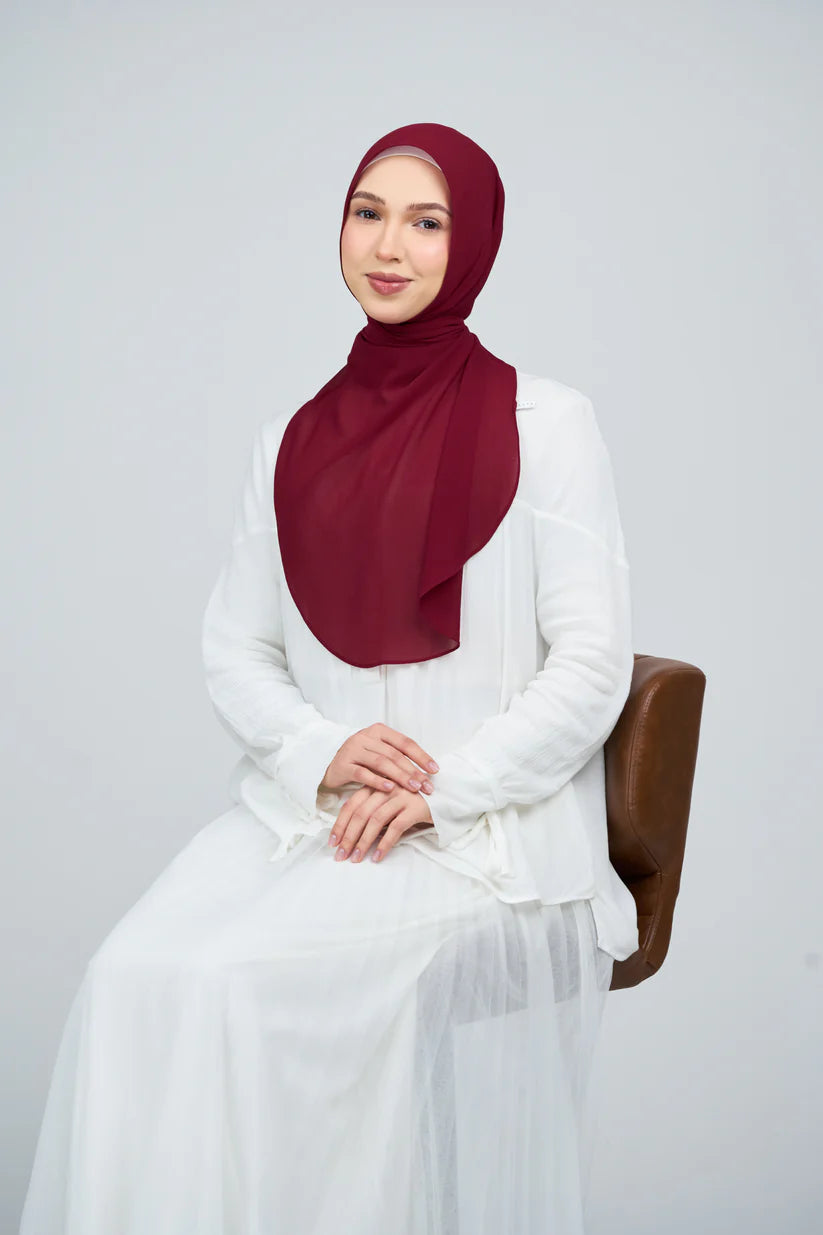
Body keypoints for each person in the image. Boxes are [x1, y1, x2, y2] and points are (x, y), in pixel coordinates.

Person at [18, 121, 639, 1235]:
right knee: (129, 980)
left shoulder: (547, 424)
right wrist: (321, 751)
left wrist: (447, 788)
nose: (388, 246)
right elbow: (236, 647)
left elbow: (591, 663)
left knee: (230, 990)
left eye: (426, 221)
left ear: (474, 241)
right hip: (312, 817)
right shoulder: (290, 439)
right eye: (367, 213)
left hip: (486, 837)